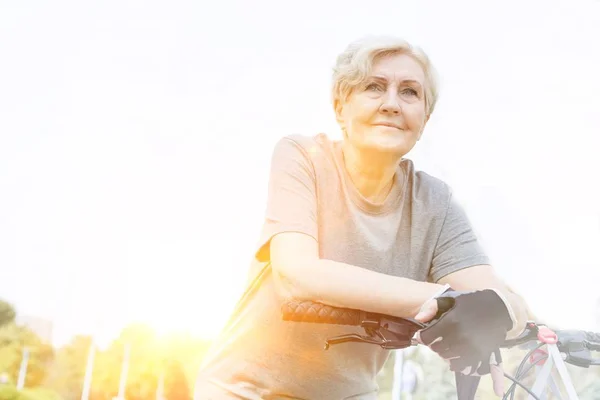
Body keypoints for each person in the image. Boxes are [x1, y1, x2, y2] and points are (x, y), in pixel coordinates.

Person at [194, 35, 531, 399]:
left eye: (410, 92)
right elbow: (298, 275)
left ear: (425, 118)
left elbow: (504, 299)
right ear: (340, 107)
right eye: (374, 87)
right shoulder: (303, 157)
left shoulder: (435, 203)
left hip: (349, 393)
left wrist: (496, 313)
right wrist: (447, 299)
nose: (391, 104)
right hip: (245, 389)